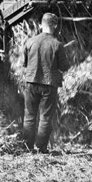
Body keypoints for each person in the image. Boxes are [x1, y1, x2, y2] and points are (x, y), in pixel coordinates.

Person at [22, 13, 69, 153]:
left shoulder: (29, 41)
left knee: (29, 116)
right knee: (45, 117)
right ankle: (41, 148)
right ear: (55, 26)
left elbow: (25, 63)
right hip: (49, 85)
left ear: (41, 25)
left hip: (30, 82)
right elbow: (64, 67)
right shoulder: (57, 44)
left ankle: (27, 147)